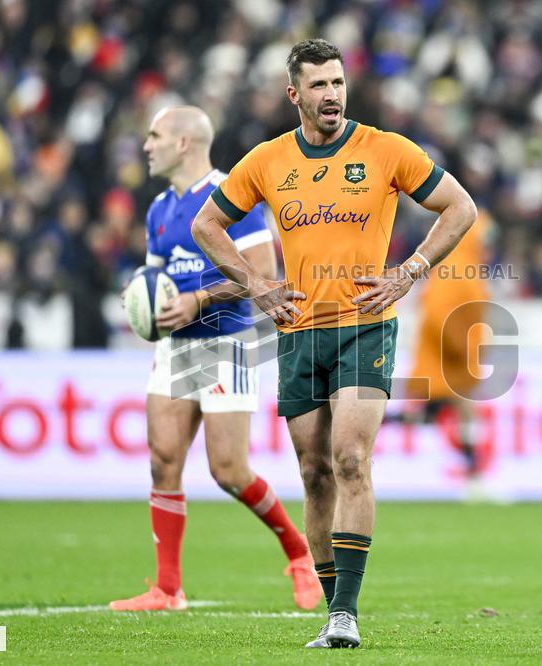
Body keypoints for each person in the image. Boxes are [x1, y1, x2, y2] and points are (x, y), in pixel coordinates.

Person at [191, 39, 477, 648]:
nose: (331, 94)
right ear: (294, 94)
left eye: (338, 83)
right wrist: (256, 284)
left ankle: (346, 614)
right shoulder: (268, 161)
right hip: (299, 330)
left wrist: (409, 271)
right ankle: (332, 611)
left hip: (365, 323)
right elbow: (206, 224)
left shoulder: (386, 150)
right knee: (314, 470)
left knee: (350, 458)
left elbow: (460, 207)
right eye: (318, 85)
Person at [109, 106, 321, 613]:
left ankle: (299, 552)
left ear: (184, 143)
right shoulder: (159, 208)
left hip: (224, 343)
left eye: (155, 136)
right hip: (176, 345)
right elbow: (155, 278)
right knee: (162, 461)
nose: (147, 146)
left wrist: (198, 300)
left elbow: (261, 274)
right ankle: (167, 589)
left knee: (229, 470)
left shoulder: (233, 195)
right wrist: (141, 300)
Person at [405, 210, 495, 496]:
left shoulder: (463, 267)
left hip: (448, 361)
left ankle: (474, 475)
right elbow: (437, 315)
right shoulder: (456, 269)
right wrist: (462, 349)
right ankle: (475, 476)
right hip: (448, 362)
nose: (489, 245)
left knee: (427, 416)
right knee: (464, 413)